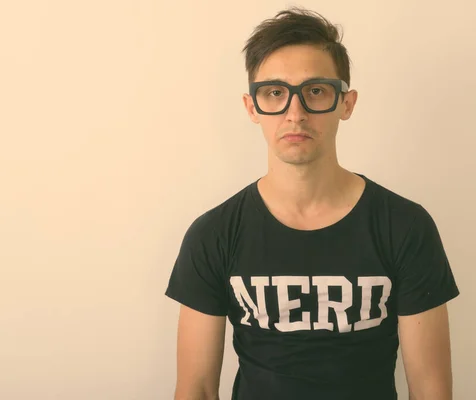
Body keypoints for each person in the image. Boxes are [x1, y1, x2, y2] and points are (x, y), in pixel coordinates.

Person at [165, 7, 460, 400]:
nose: (295, 113)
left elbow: (429, 389)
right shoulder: (214, 234)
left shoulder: (404, 226)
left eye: (315, 91)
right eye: (274, 93)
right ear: (252, 107)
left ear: (346, 103)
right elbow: (196, 389)